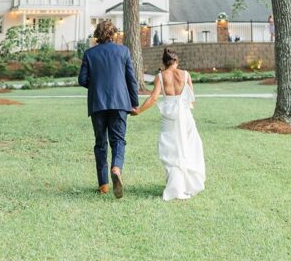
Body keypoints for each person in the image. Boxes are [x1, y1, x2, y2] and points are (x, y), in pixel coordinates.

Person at [131, 48, 206, 200]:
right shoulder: (186, 75)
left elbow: (153, 99)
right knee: (188, 148)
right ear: (176, 61)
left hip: (169, 118)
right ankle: (185, 185)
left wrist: (138, 110)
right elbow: (192, 100)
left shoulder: (160, 76)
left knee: (170, 150)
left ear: (164, 63)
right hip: (185, 117)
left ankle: (175, 186)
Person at [78, 18, 139, 197]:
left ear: (97, 35)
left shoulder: (89, 54)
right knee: (118, 140)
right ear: (113, 34)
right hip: (120, 103)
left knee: (100, 143)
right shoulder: (123, 51)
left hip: (98, 103)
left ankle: (103, 184)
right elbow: (131, 81)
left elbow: (82, 80)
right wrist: (134, 103)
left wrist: (96, 86)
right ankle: (116, 169)